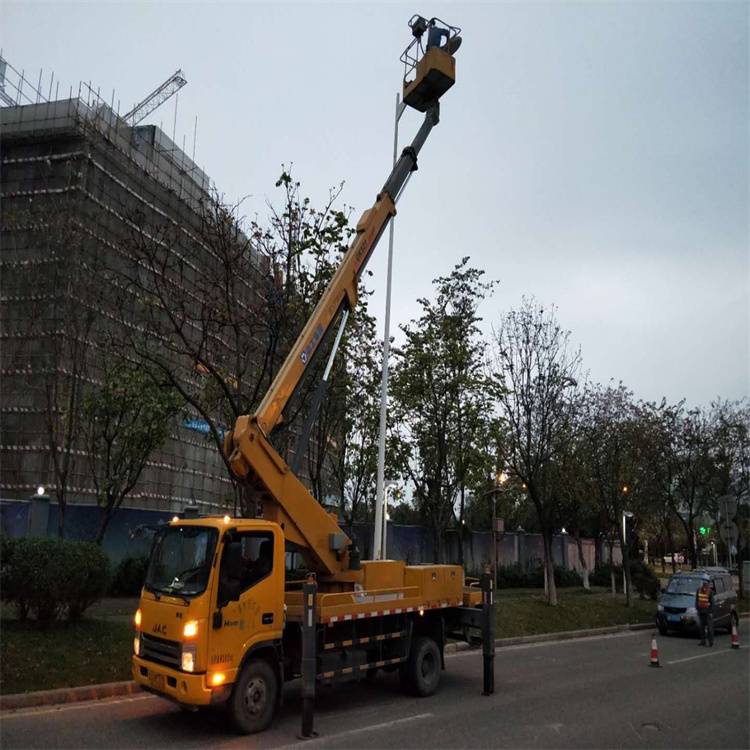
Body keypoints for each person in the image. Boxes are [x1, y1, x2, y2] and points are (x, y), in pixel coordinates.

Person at [695, 578, 714, 646]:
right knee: (701, 628)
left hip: (708, 612)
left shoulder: (710, 591)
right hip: (701, 611)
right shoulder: (699, 590)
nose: (704, 586)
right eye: (703, 585)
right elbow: (697, 600)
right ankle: (703, 641)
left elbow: (712, 602)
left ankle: (711, 642)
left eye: (705, 585)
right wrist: (697, 609)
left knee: (709, 628)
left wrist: (711, 612)